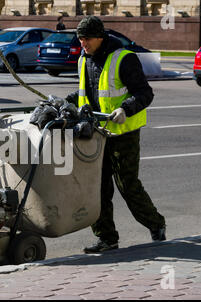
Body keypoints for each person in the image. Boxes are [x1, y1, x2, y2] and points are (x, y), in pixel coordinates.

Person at [65, 16, 166, 253]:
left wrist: (126, 109)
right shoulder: (84, 59)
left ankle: (156, 223)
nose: (83, 43)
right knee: (98, 188)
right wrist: (68, 100)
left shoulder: (124, 59)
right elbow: (86, 92)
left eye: (87, 38)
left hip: (123, 133)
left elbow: (144, 93)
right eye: (80, 38)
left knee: (127, 185)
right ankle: (106, 238)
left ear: (100, 37)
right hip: (96, 133)